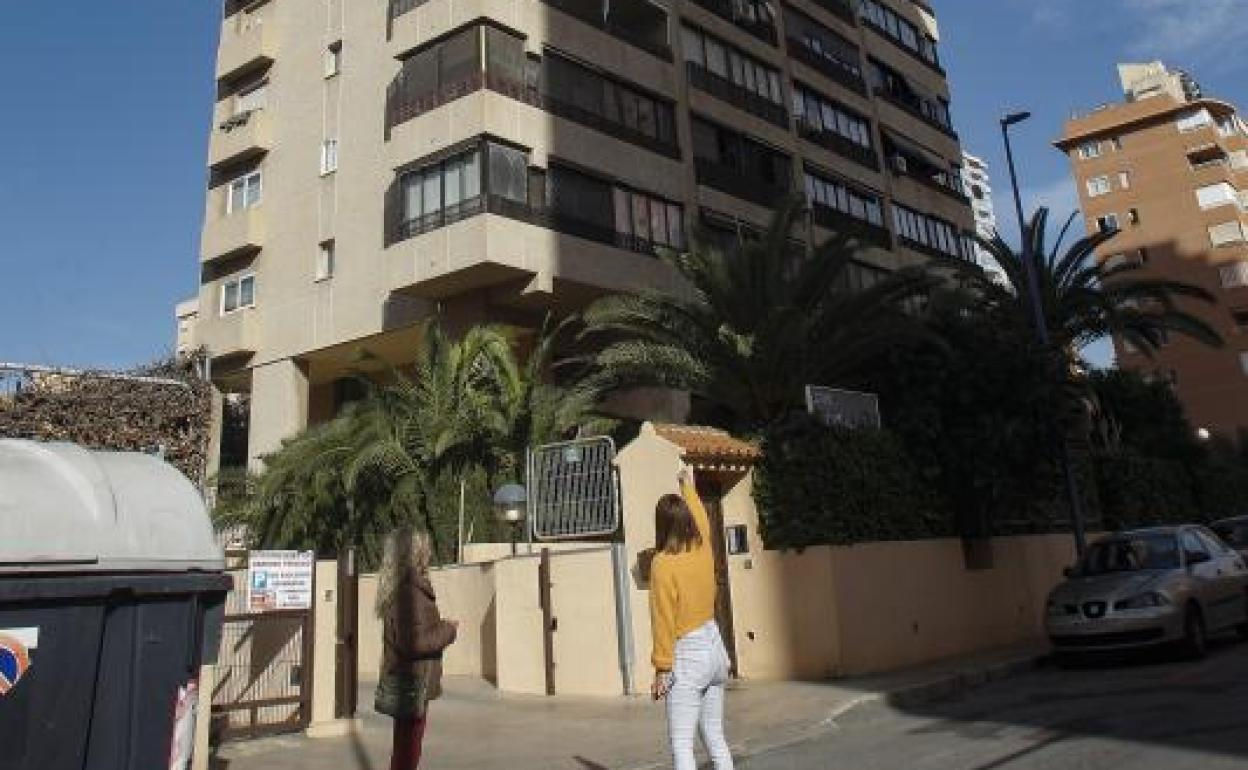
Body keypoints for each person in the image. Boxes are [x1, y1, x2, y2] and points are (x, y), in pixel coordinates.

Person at [650, 464, 734, 770]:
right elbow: (701, 514)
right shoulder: (703, 547)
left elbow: (663, 619)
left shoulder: (662, 564)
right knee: (715, 735)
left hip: (689, 653)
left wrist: (662, 669)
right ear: (687, 521)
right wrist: (687, 484)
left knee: (681, 743)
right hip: (715, 646)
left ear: (661, 526)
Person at [374, 528, 458, 770]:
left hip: (408, 679)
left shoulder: (400, 587)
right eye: (424, 549)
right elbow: (415, 642)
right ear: (414, 553)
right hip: (412, 681)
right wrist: (448, 630)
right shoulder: (409, 591)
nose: (428, 553)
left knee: (405, 746)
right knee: (409, 749)